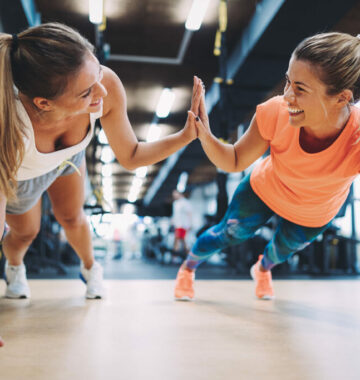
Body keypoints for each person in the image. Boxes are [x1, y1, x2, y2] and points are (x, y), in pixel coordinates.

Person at [0, 22, 201, 345]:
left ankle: (92, 270)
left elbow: (132, 154)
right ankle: (14, 268)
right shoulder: (7, 121)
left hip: (68, 157)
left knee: (73, 218)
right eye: (86, 92)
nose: (103, 92)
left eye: (96, 76)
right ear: (43, 103)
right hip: (18, 170)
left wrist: (185, 136)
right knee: (25, 232)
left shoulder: (103, 82)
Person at [174, 32, 360, 301]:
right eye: (288, 82)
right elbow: (235, 160)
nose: (286, 96)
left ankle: (262, 270)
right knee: (230, 233)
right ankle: (187, 269)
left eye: (300, 89)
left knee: (280, 252)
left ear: (342, 98)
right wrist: (205, 134)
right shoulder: (275, 112)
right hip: (265, 189)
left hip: (315, 211)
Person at [172, 190, 192, 254]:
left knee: (184, 241)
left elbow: (189, 213)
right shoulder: (175, 203)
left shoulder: (185, 202)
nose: (174, 196)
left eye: (175, 194)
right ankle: (175, 256)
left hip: (184, 225)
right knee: (177, 240)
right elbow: (175, 214)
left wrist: (190, 224)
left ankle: (188, 256)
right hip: (177, 225)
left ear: (179, 194)